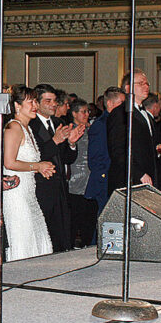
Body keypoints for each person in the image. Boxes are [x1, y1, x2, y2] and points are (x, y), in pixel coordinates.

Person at [2, 85, 55, 260]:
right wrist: (37, 166)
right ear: (17, 106)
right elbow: (9, 162)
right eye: (30, 102)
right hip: (16, 194)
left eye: (35, 101)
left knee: (37, 237)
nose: (35, 106)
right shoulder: (14, 127)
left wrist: (41, 168)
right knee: (23, 240)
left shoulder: (27, 128)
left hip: (28, 193)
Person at [30, 84, 83, 252]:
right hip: (41, 187)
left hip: (60, 187)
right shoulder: (30, 125)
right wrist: (54, 141)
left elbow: (67, 158)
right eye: (48, 101)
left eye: (54, 101)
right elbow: (33, 157)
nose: (53, 104)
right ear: (36, 103)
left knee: (61, 234)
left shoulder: (58, 122)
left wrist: (72, 144)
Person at [107, 69, 161, 193]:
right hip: (130, 180)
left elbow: (144, 146)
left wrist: (158, 148)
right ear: (128, 88)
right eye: (140, 83)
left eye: (146, 83)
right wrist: (139, 173)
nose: (146, 86)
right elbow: (118, 151)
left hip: (148, 178)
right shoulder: (120, 113)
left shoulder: (146, 114)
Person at [87, 86, 125, 212]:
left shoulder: (118, 122)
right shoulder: (101, 125)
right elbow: (96, 159)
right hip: (105, 181)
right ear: (109, 103)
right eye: (121, 104)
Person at [67, 98, 96, 248]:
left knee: (89, 218)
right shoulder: (69, 130)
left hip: (89, 179)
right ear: (74, 113)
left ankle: (87, 244)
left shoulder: (91, 129)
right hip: (74, 179)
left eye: (87, 111)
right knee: (75, 217)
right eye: (83, 112)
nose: (86, 114)